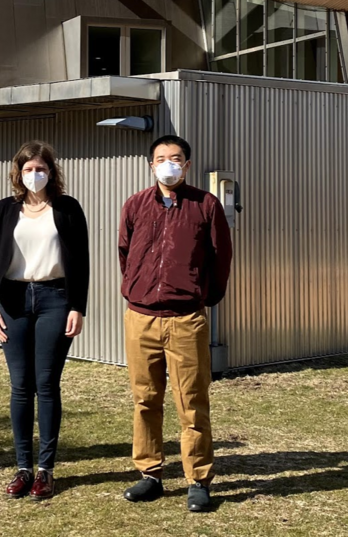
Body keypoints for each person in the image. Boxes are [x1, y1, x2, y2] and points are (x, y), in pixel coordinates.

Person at [118, 135, 233, 512]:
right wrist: (138, 289)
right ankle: (149, 473)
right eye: (161, 158)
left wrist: (201, 297)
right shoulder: (135, 205)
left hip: (186, 320)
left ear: (186, 164)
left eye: (176, 158)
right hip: (141, 318)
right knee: (144, 399)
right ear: (151, 165)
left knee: (192, 402)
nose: (169, 164)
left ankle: (198, 479)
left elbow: (220, 258)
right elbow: (125, 252)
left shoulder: (206, 205)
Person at [0, 141, 89, 501]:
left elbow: (81, 261)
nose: (34, 175)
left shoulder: (68, 208)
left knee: (46, 383)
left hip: (55, 298)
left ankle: (46, 470)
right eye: (28, 169)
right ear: (18, 173)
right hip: (12, 300)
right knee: (20, 385)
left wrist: (78, 306)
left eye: (40, 168)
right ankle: (23, 468)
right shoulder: (4, 210)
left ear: (51, 171)